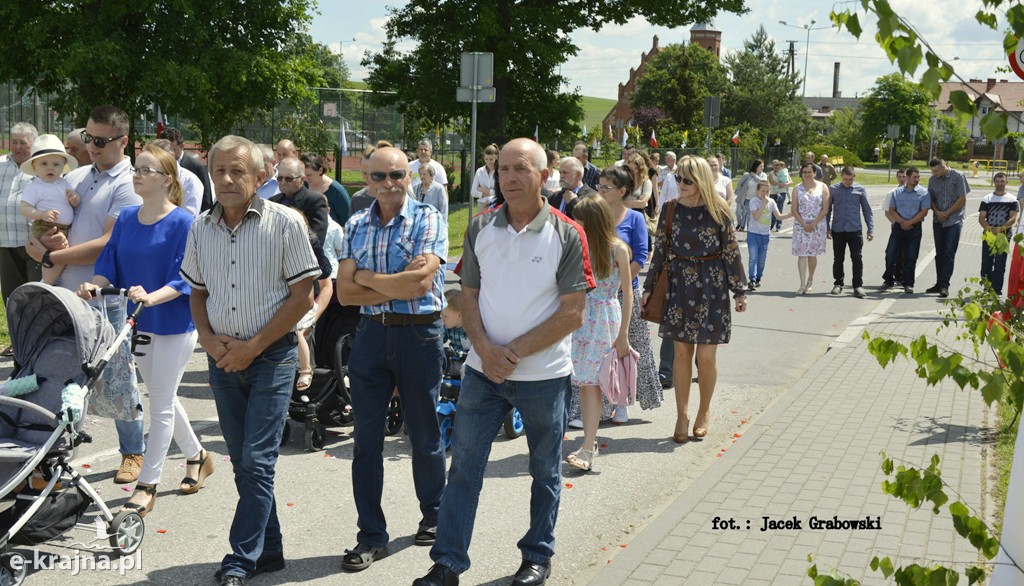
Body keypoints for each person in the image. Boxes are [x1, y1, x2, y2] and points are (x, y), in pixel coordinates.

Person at [413, 138, 592, 586]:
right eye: (503, 170)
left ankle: (537, 556)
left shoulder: (568, 233)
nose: (509, 178)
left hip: (543, 377)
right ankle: (447, 563)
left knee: (544, 470)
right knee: (465, 469)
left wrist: (512, 354)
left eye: (521, 169)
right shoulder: (480, 228)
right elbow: (467, 296)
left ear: (544, 175)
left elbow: (573, 312)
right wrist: (486, 351)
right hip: (482, 372)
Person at [180, 135, 319, 586]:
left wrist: (253, 346)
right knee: (243, 460)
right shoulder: (201, 227)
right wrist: (208, 339)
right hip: (222, 358)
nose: (226, 179)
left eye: (238, 171)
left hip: (272, 357)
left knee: (257, 461)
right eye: (219, 170)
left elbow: (304, 296)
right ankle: (270, 548)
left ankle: (241, 559)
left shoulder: (285, 223)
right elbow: (197, 292)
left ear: (261, 177)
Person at [77, 144, 211, 518]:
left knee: (160, 403)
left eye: (146, 170)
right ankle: (198, 456)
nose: (136, 174)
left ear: (167, 180)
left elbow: (186, 277)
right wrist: (94, 284)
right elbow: (109, 263)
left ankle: (147, 484)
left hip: (174, 323)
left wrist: (153, 296)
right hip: (137, 323)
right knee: (163, 397)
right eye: (136, 168)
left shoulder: (185, 222)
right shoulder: (127, 217)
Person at [336, 146, 448, 573]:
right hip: (370, 336)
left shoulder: (428, 217)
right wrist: (392, 284)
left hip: (419, 334)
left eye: (396, 174)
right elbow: (345, 294)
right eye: (378, 176)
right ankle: (371, 536)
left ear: (410, 175)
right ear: (366, 179)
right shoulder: (355, 224)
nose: (388, 184)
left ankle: (434, 516)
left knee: (424, 433)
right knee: (366, 442)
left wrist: (364, 276)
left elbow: (420, 286)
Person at [25, 106, 145, 484]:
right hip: (65, 292)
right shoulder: (74, 176)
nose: (91, 146)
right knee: (61, 377)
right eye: (88, 137)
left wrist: (50, 254)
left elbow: (107, 244)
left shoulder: (129, 182)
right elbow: (45, 224)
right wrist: (43, 242)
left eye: (101, 140)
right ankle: (51, 458)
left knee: (116, 375)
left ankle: (133, 452)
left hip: (104, 294)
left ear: (123, 141)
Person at [641, 155, 746, 444]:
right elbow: (660, 250)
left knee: (706, 356)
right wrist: (649, 287)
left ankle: (704, 411)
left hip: (712, 286)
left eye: (687, 179)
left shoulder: (719, 210)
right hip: (679, 285)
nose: (681, 184)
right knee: (682, 354)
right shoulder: (671, 209)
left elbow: (731, 251)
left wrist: (739, 290)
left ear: (700, 181)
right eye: (678, 178)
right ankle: (682, 414)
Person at [565, 195, 633, 472]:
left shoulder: (618, 249)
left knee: (592, 383)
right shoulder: (577, 245)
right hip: (579, 317)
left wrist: (624, 334)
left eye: (579, 219)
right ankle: (588, 442)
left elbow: (627, 292)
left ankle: (588, 445)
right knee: (584, 382)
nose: (574, 223)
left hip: (604, 319)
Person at [596, 166, 661, 421]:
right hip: (599, 296)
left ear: (622, 191)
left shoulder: (634, 218)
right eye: (599, 186)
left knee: (627, 347)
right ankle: (598, 404)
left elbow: (641, 256)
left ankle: (623, 402)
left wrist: (620, 284)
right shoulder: (596, 215)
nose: (601, 191)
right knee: (600, 350)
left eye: (606, 187)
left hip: (624, 294)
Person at [18, 134, 80, 284]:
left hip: (65, 228)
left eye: (56, 164)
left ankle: (49, 281)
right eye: (44, 164)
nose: (50, 168)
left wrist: (74, 198)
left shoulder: (64, 183)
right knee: (56, 253)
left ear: (63, 166)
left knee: (61, 256)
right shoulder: (35, 187)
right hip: (45, 226)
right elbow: (25, 208)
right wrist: (41, 214)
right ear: (34, 167)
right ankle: (46, 282)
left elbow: (76, 203)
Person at [0, 123, 41, 321]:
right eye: (14, 142)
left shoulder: (41, 166)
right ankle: (17, 340)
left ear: (33, 143)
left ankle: (40, 339)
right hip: (4, 240)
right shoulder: (1, 164)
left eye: (23, 143)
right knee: (11, 294)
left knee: (36, 294)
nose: (17, 147)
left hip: (33, 241)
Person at [826, 166, 873, 298]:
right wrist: (827, 228)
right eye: (845, 179)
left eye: (850, 179)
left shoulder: (860, 189)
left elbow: (867, 210)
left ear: (854, 177)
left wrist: (870, 229)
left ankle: (857, 286)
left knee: (857, 258)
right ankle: (838, 284)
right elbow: (828, 210)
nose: (847, 182)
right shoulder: (834, 189)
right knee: (838, 258)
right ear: (841, 177)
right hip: (838, 229)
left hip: (855, 229)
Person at [926, 157, 970, 298]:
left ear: (944, 166)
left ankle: (945, 285)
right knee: (939, 253)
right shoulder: (932, 180)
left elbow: (962, 198)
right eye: (932, 171)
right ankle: (939, 283)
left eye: (936, 170)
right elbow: (930, 199)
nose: (934, 173)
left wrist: (947, 213)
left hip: (954, 220)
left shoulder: (958, 176)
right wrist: (938, 212)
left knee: (949, 252)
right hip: (938, 220)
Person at [882, 167, 930, 294]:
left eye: (918, 177)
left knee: (911, 256)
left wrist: (910, 222)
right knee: (890, 254)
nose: (917, 179)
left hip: (914, 228)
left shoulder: (923, 193)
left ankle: (908, 283)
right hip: (899, 226)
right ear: (908, 177)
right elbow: (891, 210)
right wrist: (902, 222)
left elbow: (924, 212)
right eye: (915, 177)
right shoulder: (897, 192)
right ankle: (888, 280)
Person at [791, 162, 831, 294]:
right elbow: (794, 209)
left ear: (815, 173)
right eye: (805, 172)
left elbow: (825, 209)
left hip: (817, 225)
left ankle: (810, 279)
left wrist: (813, 224)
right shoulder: (797, 188)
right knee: (802, 255)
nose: (807, 175)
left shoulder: (823, 187)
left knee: (812, 255)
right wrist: (803, 224)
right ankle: (802, 284)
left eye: (810, 172)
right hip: (801, 225)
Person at [270, 157, 329, 246]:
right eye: (280, 178)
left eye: (289, 178)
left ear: (302, 179)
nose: (283, 182)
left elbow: (317, 240)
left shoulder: (314, 201)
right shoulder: (271, 202)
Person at [979, 172, 1019, 293]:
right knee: (986, 264)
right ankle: (987, 289)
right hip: (988, 236)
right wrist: (990, 230)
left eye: (1002, 181)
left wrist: (1000, 230)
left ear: (1007, 182)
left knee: (1000, 265)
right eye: (997, 181)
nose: (1000, 184)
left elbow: (1013, 218)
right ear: (994, 182)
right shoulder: (987, 199)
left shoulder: (1012, 199)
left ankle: (996, 290)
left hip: (1004, 236)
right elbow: (981, 218)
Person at [747, 181, 791, 290]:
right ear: (757, 191)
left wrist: (792, 214)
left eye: (767, 191)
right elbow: (756, 216)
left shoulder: (771, 202)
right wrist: (763, 204)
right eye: (762, 191)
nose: (765, 194)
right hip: (753, 233)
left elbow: (779, 216)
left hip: (765, 234)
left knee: (761, 259)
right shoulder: (753, 201)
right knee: (753, 257)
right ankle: (751, 279)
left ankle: (758, 278)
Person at [148, 139, 203, 216]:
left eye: (158, 159)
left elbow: (188, 218)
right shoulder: (148, 178)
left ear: (171, 156)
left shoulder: (190, 181)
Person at [164, 127, 213, 211]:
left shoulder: (198, 167)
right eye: (164, 151)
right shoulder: (156, 166)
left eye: (173, 150)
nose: (168, 154)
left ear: (182, 146)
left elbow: (207, 202)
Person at [302, 151, 351, 226]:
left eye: (309, 175)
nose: (305, 178)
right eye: (303, 174)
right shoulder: (302, 187)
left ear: (320, 170)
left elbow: (348, 223)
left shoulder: (337, 192)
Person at [882, 168, 908, 286]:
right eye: (900, 177)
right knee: (891, 252)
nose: (902, 179)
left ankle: (901, 277)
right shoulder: (892, 192)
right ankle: (889, 277)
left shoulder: (913, 193)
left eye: (904, 177)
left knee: (905, 254)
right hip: (897, 227)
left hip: (910, 227)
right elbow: (887, 212)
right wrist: (896, 223)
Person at [734, 160, 765, 231]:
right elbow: (739, 184)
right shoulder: (747, 175)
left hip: (757, 199)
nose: (762, 168)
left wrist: (754, 176)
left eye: (763, 166)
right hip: (747, 199)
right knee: (748, 215)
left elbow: (762, 182)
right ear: (756, 166)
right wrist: (739, 192)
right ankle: (749, 230)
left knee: (754, 216)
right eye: (761, 166)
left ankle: (752, 229)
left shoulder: (763, 175)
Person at [350, 145, 378, 213]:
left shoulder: (394, 197)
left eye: (372, 173)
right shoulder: (357, 199)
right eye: (364, 173)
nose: (368, 177)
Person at [470, 144, 498, 209]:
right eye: (486, 159)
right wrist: (488, 193)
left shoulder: (499, 171)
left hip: (495, 204)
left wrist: (482, 189)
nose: (488, 162)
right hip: (481, 205)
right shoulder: (479, 171)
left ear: (496, 157)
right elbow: (473, 192)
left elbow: (500, 193)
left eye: (491, 159)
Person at [768, 160, 791, 232]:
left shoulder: (784, 173)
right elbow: (772, 182)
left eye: (778, 167)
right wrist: (780, 184)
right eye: (775, 166)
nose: (776, 168)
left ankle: (779, 225)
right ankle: (771, 224)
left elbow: (790, 181)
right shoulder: (771, 173)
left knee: (779, 208)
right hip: (773, 193)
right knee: (772, 209)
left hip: (782, 192)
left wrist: (785, 184)